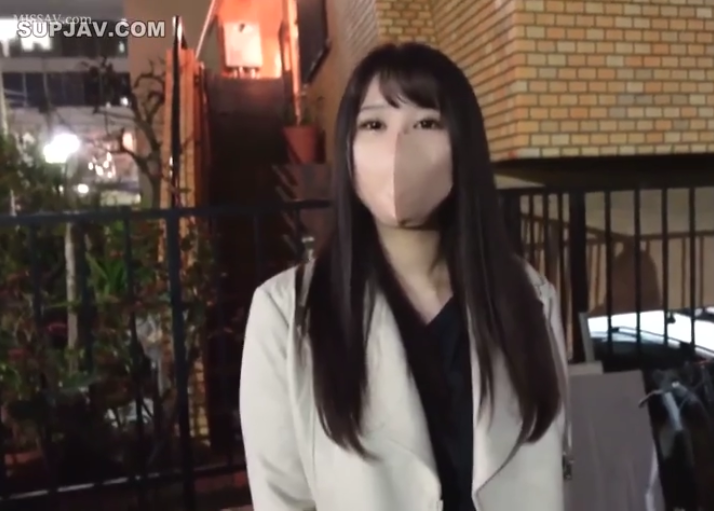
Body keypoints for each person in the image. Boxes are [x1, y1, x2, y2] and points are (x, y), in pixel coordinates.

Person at [239, 42, 570, 511]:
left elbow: (555, 468)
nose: (397, 147)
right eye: (374, 125)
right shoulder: (286, 314)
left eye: (427, 123)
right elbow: (282, 498)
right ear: (347, 151)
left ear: (463, 147)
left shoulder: (530, 299)